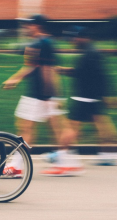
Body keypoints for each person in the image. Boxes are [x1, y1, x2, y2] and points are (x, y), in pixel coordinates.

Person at [2, 14, 66, 177]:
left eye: (28, 25)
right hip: (43, 94)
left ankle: (17, 166)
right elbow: (36, 67)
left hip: (40, 95)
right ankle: (63, 162)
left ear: (37, 26)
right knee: (47, 128)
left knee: (28, 128)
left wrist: (48, 95)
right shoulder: (45, 42)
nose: (26, 28)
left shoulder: (42, 43)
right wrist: (15, 79)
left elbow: (46, 69)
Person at [49, 26, 117, 172]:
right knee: (103, 124)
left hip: (84, 97)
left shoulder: (90, 53)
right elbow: (98, 75)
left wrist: (60, 70)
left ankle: (61, 157)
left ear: (83, 37)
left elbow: (84, 74)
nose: (72, 41)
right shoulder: (91, 51)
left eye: (74, 38)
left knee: (70, 127)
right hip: (92, 97)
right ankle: (107, 155)